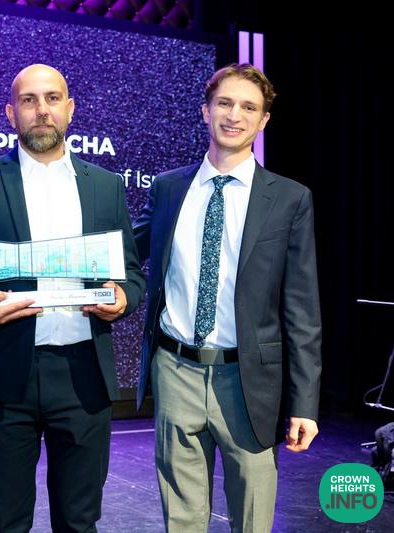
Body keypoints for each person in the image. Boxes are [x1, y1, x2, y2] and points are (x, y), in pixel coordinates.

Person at [0, 64, 145, 532]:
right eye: (29, 100)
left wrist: (124, 298)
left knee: (79, 521)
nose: (42, 110)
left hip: (83, 374)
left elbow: (131, 272)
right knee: (7, 521)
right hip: (4, 373)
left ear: (69, 109)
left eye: (52, 99)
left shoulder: (106, 184)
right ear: (11, 113)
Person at [132, 63, 322, 532]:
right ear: (206, 110)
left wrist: (304, 403)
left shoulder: (290, 199)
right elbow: (125, 252)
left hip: (249, 379)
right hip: (175, 369)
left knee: (252, 517)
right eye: (225, 103)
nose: (235, 116)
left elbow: (302, 309)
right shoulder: (169, 188)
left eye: (248, 107)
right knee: (181, 519)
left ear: (263, 121)